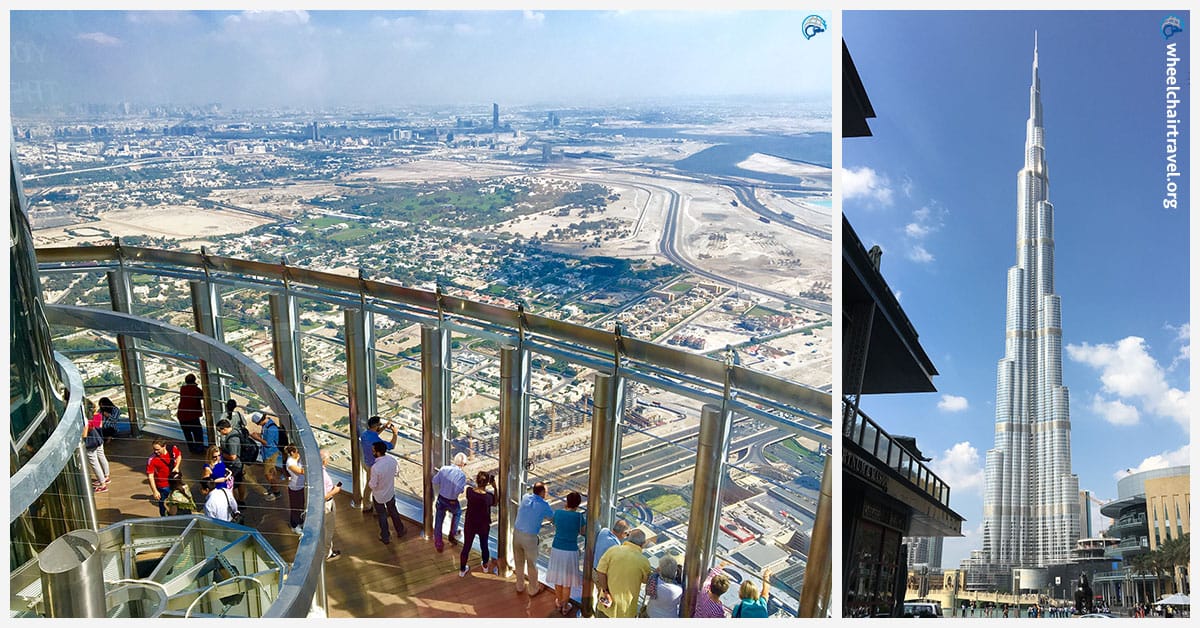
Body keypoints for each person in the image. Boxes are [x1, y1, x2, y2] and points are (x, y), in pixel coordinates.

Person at [595, 528, 652, 618]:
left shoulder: (613, 550)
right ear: (643, 544)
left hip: (606, 604)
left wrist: (606, 591)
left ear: (628, 538)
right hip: (626, 611)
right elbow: (648, 581)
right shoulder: (644, 562)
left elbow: (600, 571)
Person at [512, 481, 554, 596]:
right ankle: (533, 589)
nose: (547, 493)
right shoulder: (544, 505)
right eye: (546, 491)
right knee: (532, 563)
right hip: (529, 537)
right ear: (542, 493)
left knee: (518, 561)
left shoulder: (526, 497)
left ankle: (519, 586)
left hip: (516, 533)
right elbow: (553, 519)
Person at [548, 491, 586, 616]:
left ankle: (559, 602)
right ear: (578, 504)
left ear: (567, 501)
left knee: (557, 578)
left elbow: (555, 523)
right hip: (570, 550)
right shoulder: (579, 517)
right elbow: (583, 532)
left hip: (557, 548)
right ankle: (565, 605)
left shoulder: (558, 513)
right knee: (567, 581)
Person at [368, 441, 407, 544]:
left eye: (373, 450)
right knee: (393, 511)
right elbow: (396, 473)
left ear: (378, 452)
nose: (372, 452)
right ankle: (400, 530)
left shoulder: (375, 468)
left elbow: (373, 484)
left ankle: (385, 536)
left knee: (382, 516)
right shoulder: (392, 460)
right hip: (390, 492)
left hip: (378, 496)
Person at [459, 471, 497, 576]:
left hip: (470, 523)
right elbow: (495, 502)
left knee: (466, 546)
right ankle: (485, 566)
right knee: (484, 545)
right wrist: (495, 488)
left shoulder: (469, 492)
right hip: (483, 524)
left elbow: (472, 490)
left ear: (477, 480)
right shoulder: (488, 497)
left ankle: (462, 569)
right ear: (487, 483)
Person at [431, 452, 468, 552]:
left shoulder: (444, 469)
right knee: (458, 513)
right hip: (452, 501)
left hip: (441, 498)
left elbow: (435, 481)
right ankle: (452, 534)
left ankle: (438, 543)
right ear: (463, 464)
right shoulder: (461, 476)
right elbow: (458, 491)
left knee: (438, 521)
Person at [359, 416, 398, 511]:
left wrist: (384, 427)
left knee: (369, 486)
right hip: (374, 466)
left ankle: (367, 504)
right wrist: (395, 434)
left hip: (366, 462)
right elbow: (391, 446)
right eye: (379, 424)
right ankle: (374, 509)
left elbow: (374, 434)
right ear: (376, 426)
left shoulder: (365, 434)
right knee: (374, 487)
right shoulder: (377, 441)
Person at [250, 411, 282, 502]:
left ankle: (276, 492)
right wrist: (259, 436)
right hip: (267, 453)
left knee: (268, 474)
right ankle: (274, 487)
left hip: (270, 453)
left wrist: (257, 438)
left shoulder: (271, 428)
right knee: (272, 472)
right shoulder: (267, 426)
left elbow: (268, 443)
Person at [145, 438, 183, 516]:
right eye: (154, 449)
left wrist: (177, 467)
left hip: (175, 482)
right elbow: (150, 476)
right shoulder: (152, 459)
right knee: (164, 505)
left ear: (164, 446)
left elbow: (179, 456)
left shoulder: (172, 449)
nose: (155, 451)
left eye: (157, 449)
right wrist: (155, 491)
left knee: (178, 502)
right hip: (163, 485)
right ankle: (165, 519)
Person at [82, 399, 110, 493]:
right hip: (99, 439)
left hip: (91, 441)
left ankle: (102, 483)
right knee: (101, 456)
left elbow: (87, 430)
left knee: (94, 462)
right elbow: (99, 427)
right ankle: (106, 476)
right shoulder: (97, 416)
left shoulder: (86, 420)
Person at [643, 554, 683, 618]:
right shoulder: (679, 589)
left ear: (660, 570)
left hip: (651, 614)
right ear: (675, 572)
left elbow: (653, 575)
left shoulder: (653, 581)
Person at [321, 449, 343, 561]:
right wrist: (335, 491)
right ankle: (326, 553)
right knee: (328, 529)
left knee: (325, 529)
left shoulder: (317, 471)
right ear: (324, 461)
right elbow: (322, 497)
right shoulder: (323, 475)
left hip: (325, 504)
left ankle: (326, 551)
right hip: (326, 504)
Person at [176, 374, 205, 453]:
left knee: (187, 434)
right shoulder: (196, 390)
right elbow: (203, 396)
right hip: (192, 416)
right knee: (197, 433)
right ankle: (199, 449)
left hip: (182, 415)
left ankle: (192, 449)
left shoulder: (183, 388)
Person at [284, 445, 306, 533]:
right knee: (295, 507)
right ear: (292, 452)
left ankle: (300, 522)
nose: (298, 453)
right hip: (294, 488)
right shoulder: (290, 463)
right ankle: (294, 525)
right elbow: (301, 471)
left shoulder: (296, 459)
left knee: (300, 505)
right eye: (297, 451)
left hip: (300, 487)